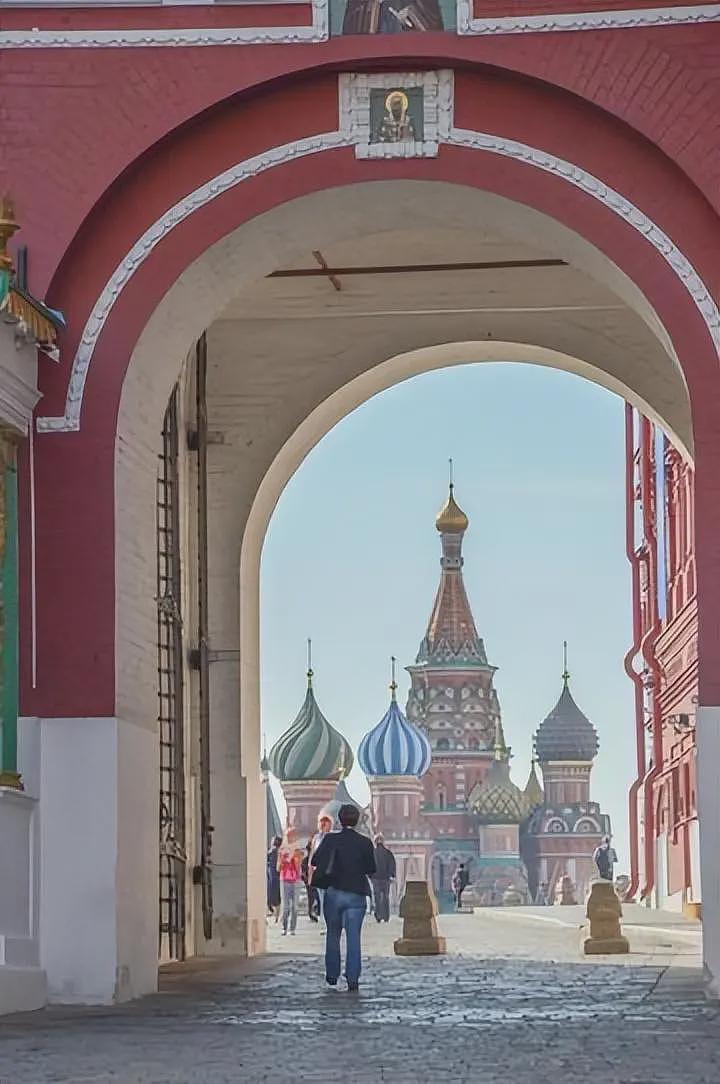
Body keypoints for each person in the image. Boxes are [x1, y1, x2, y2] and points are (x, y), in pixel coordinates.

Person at [311, 803, 376, 992]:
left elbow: (315, 860)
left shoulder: (331, 840)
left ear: (339, 820)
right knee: (353, 937)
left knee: (333, 934)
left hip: (333, 893)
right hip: (356, 894)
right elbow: (371, 869)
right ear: (357, 821)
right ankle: (353, 978)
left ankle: (332, 975)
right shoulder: (364, 842)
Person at [310, 814, 334, 932]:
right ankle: (325, 923)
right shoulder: (316, 838)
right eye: (323, 824)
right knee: (323, 899)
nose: (325, 827)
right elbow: (312, 857)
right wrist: (310, 873)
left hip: (330, 873)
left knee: (330, 899)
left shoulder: (333, 838)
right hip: (320, 872)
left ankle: (330, 922)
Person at [278, 829, 303, 936]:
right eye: (288, 836)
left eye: (292, 836)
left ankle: (292, 928)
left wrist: (295, 858)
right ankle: (284, 927)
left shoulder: (298, 850)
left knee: (295, 906)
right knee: (286, 906)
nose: (290, 838)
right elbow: (278, 868)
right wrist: (284, 860)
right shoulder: (282, 850)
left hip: (296, 880)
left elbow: (298, 867)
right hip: (284, 879)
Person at [371, 834, 396, 922]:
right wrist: (392, 875)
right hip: (386, 879)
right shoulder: (388, 853)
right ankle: (386, 916)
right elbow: (392, 865)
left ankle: (378, 916)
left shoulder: (372, 853)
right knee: (386, 897)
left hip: (375, 879)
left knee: (377, 898)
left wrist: (370, 876)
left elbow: (369, 865)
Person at [301, 841, 320, 923]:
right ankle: (314, 913)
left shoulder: (305, 860)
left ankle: (313, 913)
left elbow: (303, 873)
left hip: (311, 882)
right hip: (313, 881)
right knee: (315, 898)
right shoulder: (313, 859)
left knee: (311, 898)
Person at [266, 835, 282, 921]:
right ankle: (277, 915)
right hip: (278, 877)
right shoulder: (279, 852)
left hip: (272, 877)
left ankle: (275, 914)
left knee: (273, 897)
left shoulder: (272, 852)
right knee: (278, 897)